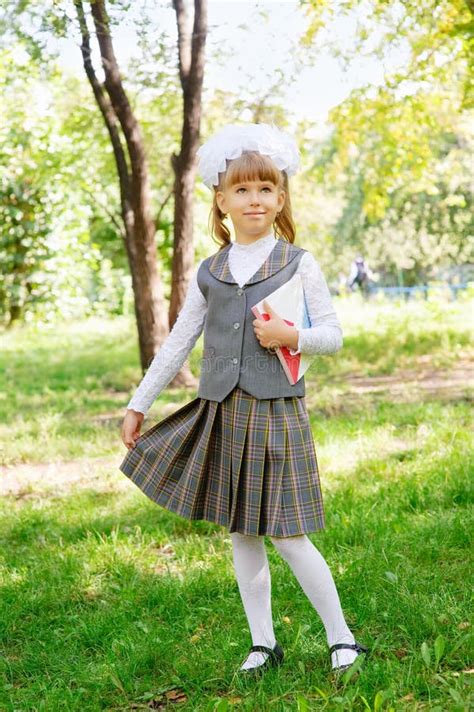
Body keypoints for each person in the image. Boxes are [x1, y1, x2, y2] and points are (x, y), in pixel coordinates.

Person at [120, 123, 368, 677]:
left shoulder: (297, 263)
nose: (253, 199)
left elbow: (332, 333)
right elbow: (182, 338)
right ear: (221, 199)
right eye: (242, 190)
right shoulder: (211, 271)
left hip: (276, 411)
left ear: (280, 198)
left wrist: (292, 337)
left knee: (288, 532)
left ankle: (342, 638)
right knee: (242, 530)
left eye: (265, 189)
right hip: (224, 412)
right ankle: (263, 643)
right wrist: (140, 403)